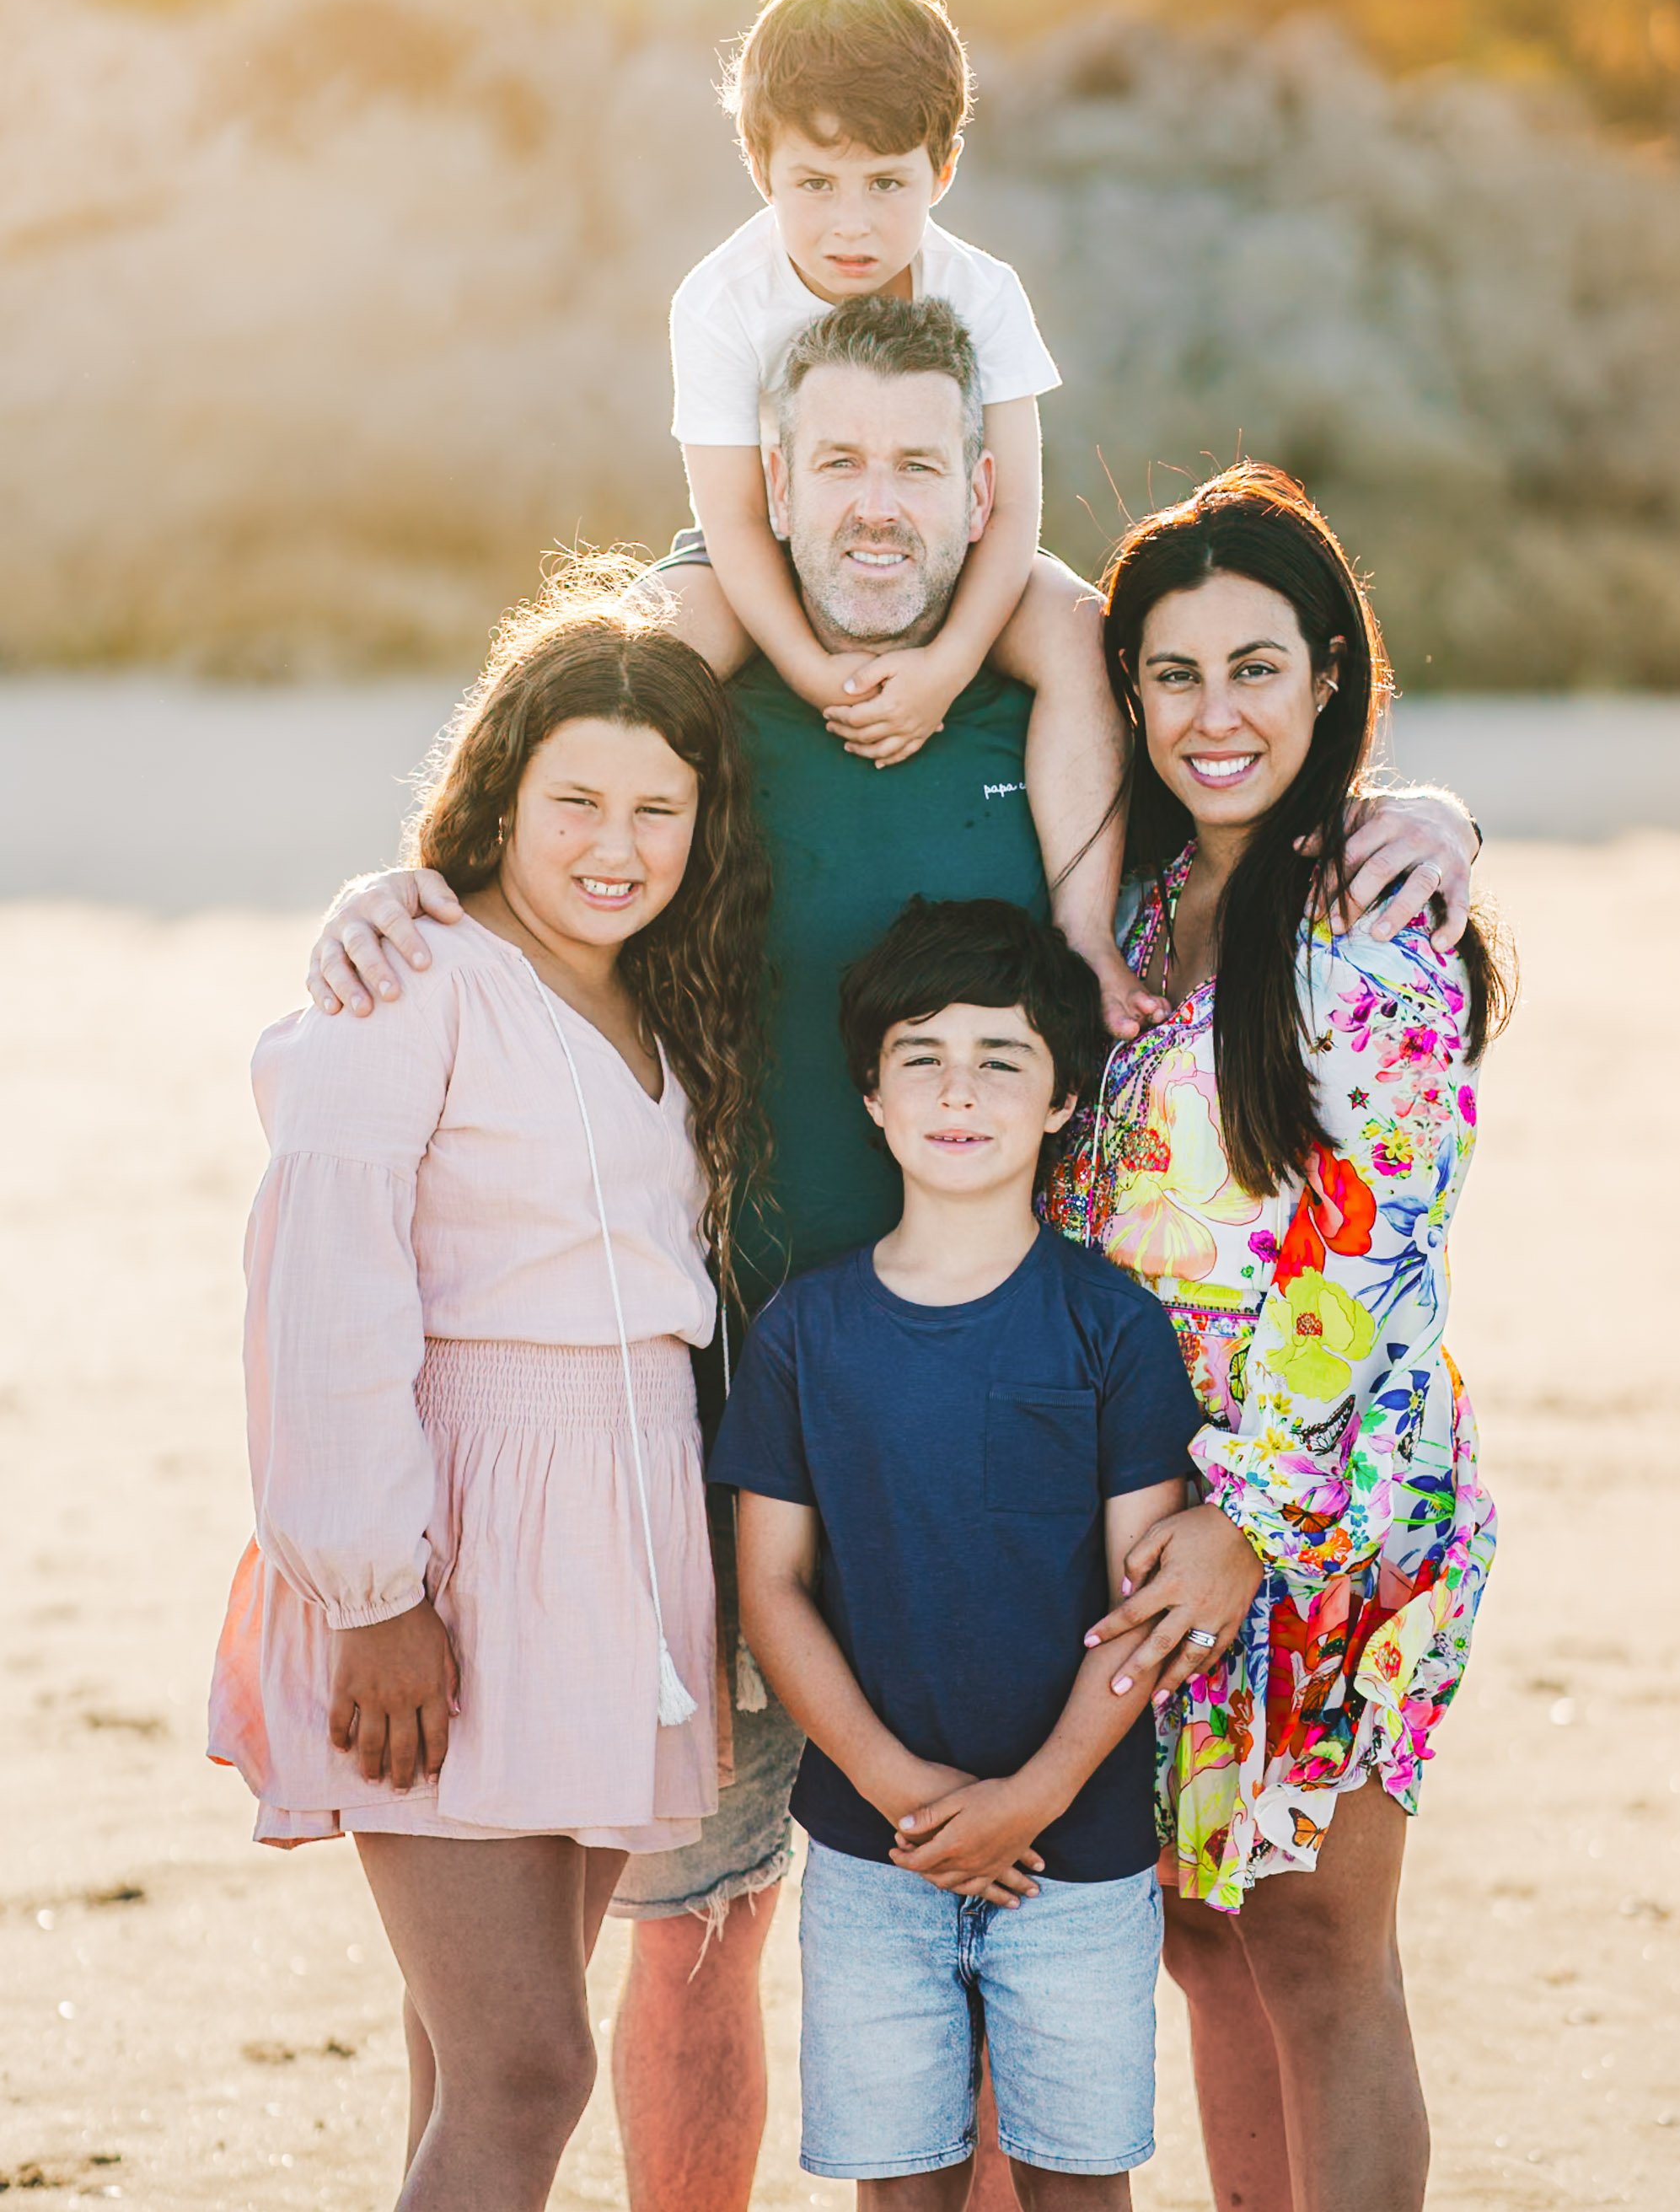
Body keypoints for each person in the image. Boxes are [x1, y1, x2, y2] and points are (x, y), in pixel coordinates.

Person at [301, 302, 1483, 2212]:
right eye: (833, 462)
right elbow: (543, 787)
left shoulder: (1074, 698)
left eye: (920, 463)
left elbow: (1257, 788)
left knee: (1071, 1927)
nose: (877, 503)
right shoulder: (691, 697)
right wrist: (403, 882)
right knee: (698, 1938)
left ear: (983, 482)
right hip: (714, 1421)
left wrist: (1420, 812)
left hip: (1079, 1450)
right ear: (763, 483)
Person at [207, 565, 770, 2212]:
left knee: (466, 2058)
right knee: (531, 2069)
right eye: (576, 799)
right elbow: (322, 1282)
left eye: (657, 810)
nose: (616, 846)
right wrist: (375, 1590)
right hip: (452, 1528)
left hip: (617, 1535)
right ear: (497, 793)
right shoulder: (417, 974)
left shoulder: (657, 997)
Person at [1031, 464, 1509, 2212]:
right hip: (1145, 1495)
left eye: (1254, 667)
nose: (1213, 714)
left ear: (1327, 675)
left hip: (1327, 1505)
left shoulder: (1377, 928)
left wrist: (1245, 1514)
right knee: (1198, 1940)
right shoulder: (1129, 912)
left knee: (1312, 1945)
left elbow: (1370, 1250)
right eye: (1170, 674)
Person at [714, 898, 1203, 2208]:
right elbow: (771, 1589)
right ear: (871, 1097)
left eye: (1003, 1058)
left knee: (1079, 2188)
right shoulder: (806, 1329)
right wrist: (903, 1794)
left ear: (1058, 1102)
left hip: (1081, 1849)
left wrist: (1034, 1794)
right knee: (899, 2188)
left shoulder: (1111, 1326)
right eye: (921, 1056)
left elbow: (1142, 1607)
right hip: (872, 1855)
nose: (960, 1089)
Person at [668, 0, 1139, 1032]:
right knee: (646, 648)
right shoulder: (720, 298)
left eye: (889, 184)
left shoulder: (985, 291)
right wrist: (808, 664)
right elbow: (732, 518)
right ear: (760, 167)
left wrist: (944, 667)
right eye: (813, 184)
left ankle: (1083, 940)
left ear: (943, 168)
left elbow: (1012, 510)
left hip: (956, 546)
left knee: (1078, 633)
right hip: (767, 544)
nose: (852, 223)